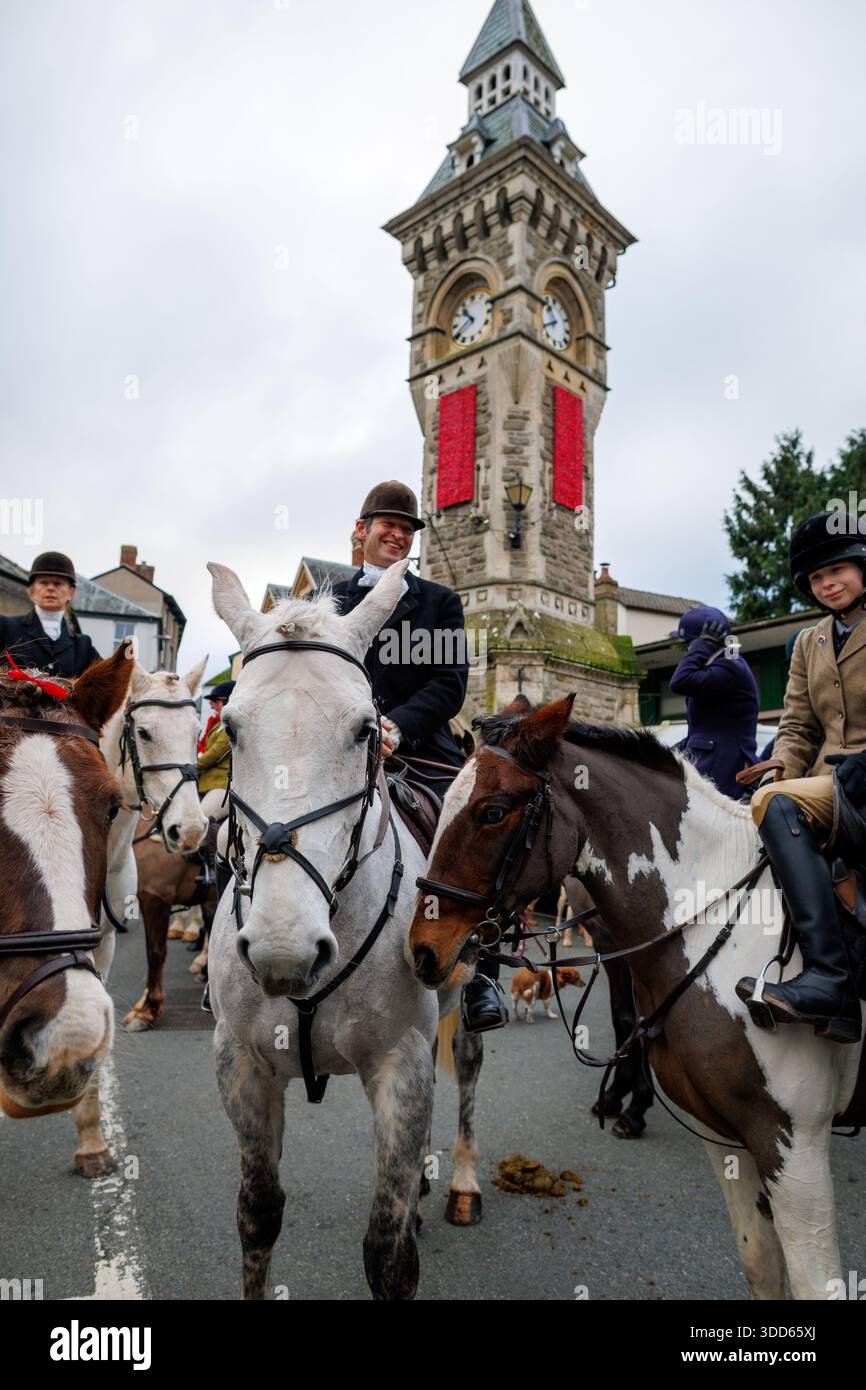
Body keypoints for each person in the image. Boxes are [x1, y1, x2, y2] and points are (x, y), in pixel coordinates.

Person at [330, 481, 501, 1031]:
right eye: (388, 525)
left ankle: (482, 970)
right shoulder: (329, 599)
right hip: (339, 743)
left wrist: (397, 727)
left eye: (406, 529)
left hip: (420, 748)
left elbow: (450, 684)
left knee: (479, 832)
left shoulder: (439, 602)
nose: (398, 534)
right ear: (362, 531)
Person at [736, 512, 865, 1044]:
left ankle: (830, 978)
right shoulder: (807, 642)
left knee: (778, 807)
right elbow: (796, 727)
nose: (827, 583)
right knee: (770, 797)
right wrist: (780, 768)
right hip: (828, 784)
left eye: (836, 570)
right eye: (816, 578)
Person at [668, 605, 759, 799]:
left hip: (723, 767)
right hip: (711, 762)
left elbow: (679, 681)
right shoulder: (721, 664)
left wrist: (703, 645)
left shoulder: (730, 666)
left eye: (688, 644)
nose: (687, 651)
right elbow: (702, 729)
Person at [0, 551, 100, 677]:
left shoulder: (83, 646)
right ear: (31, 591)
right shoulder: (5, 628)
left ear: (71, 592)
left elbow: (110, 679)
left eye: (58, 583)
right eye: (43, 582)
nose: (50, 588)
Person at [197, 680, 234, 822]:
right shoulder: (217, 724)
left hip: (222, 783)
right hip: (206, 780)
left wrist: (194, 764)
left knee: (201, 819)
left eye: (215, 701)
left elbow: (216, 753)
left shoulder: (230, 725)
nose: (211, 704)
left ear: (227, 702)